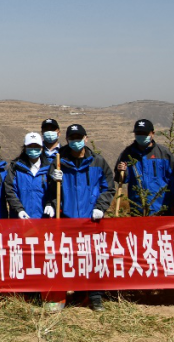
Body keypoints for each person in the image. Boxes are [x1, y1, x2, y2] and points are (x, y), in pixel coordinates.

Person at [49, 123, 115, 311]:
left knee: (93, 257)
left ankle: (95, 297)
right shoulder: (59, 161)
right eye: (72, 138)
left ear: (86, 139)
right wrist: (53, 179)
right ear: (67, 140)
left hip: (91, 218)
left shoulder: (98, 162)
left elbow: (109, 187)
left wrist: (100, 207)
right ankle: (67, 295)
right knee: (68, 258)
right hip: (67, 218)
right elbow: (51, 191)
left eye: (79, 138)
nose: (76, 141)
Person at [115, 118, 174, 216]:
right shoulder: (127, 153)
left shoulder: (163, 154)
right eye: (138, 133)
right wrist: (120, 171)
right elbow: (121, 179)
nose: (141, 136)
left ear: (152, 133)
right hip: (138, 209)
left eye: (144, 133)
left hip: (162, 208)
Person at [4, 133, 53, 219]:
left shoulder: (49, 168)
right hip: (20, 218)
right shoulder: (15, 167)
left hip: (43, 218)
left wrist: (51, 204)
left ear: (41, 148)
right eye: (30, 146)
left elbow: (53, 190)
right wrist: (19, 210)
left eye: (36, 146)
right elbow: (10, 190)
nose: (33, 149)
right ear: (25, 148)